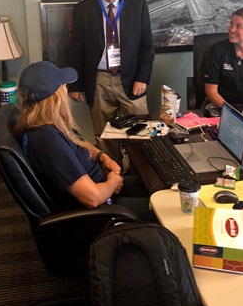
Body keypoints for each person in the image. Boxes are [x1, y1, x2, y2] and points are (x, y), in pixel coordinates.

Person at [15, 61, 155, 222]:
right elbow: (92, 198)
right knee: (163, 209)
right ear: (54, 96)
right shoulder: (48, 141)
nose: (66, 89)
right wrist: (112, 182)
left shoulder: (48, 124)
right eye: (63, 85)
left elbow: (78, 143)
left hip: (101, 186)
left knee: (155, 188)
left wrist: (102, 157)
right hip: (99, 212)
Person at [68, 0, 155, 162]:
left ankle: (140, 172)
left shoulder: (137, 4)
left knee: (140, 131)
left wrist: (142, 78)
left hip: (132, 79)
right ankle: (113, 173)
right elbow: (76, 50)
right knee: (104, 134)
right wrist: (75, 85)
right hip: (99, 80)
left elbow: (147, 46)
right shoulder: (83, 9)